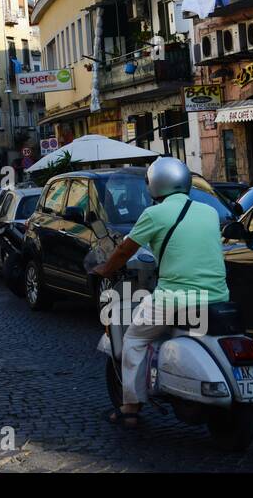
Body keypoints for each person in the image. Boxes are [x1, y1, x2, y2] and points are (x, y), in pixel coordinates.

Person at [91, 157, 228, 429]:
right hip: (217, 298)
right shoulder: (209, 212)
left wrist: (106, 269)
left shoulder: (154, 214)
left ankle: (130, 407)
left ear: (154, 185)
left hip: (174, 300)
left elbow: (125, 250)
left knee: (134, 339)